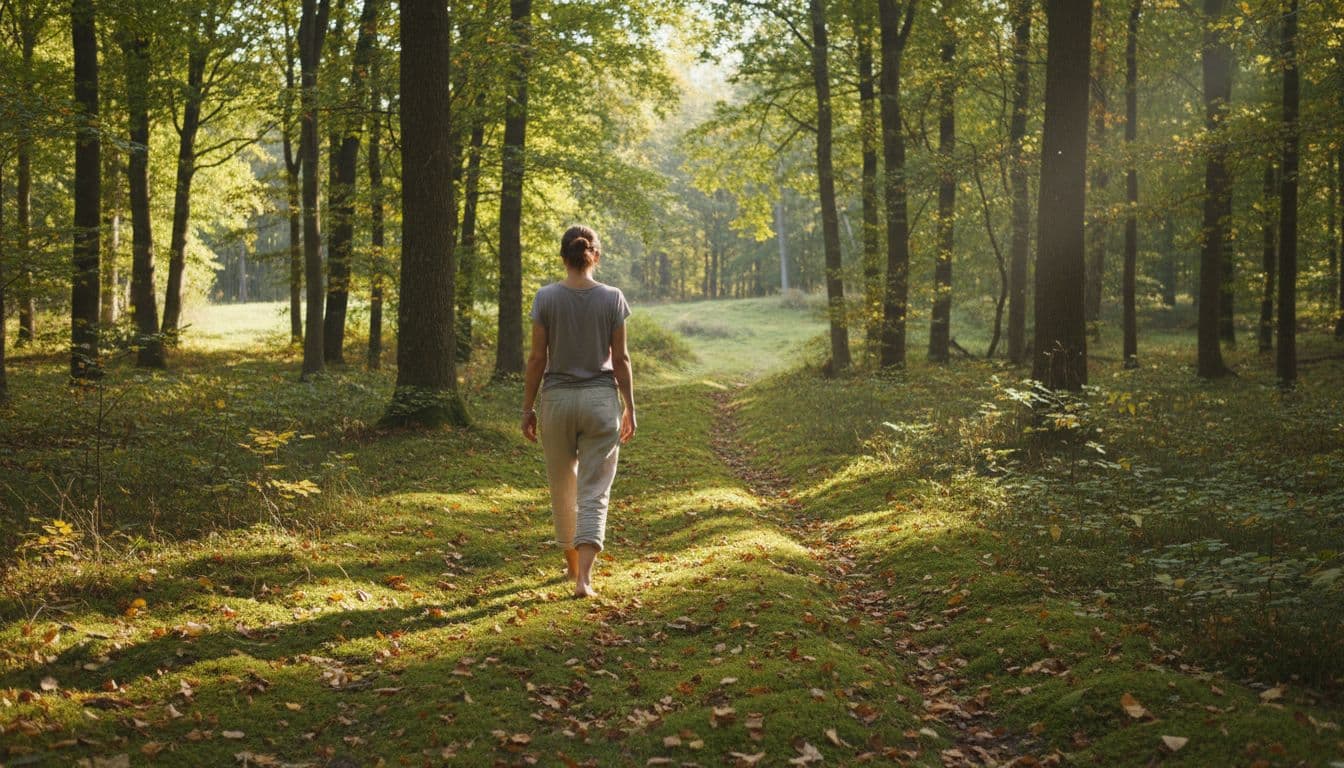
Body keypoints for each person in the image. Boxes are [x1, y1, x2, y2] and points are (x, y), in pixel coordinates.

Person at [521, 225, 636, 598]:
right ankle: (585, 578)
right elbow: (620, 359)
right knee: (593, 490)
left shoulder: (546, 298)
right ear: (595, 256)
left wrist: (527, 407)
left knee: (562, 487)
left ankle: (572, 569)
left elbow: (538, 358)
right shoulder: (613, 298)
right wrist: (630, 406)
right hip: (601, 401)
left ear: (563, 257)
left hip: (556, 401)